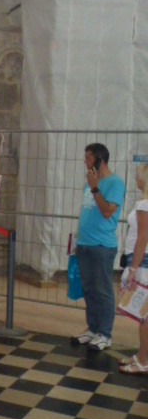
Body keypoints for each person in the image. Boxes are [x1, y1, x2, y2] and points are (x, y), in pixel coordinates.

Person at [73, 142, 125, 351]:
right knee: (89, 289)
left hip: (102, 246)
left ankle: (105, 333)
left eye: (88, 159)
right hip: (85, 243)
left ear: (99, 160)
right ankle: (93, 328)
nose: (85, 162)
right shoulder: (89, 181)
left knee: (103, 290)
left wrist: (95, 187)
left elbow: (106, 211)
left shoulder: (115, 183)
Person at [118, 163, 148, 374]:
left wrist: (132, 268)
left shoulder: (144, 204)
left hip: (143, 263)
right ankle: (142, 355)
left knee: (143, 316)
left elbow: (142, 238)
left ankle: (143, 360)